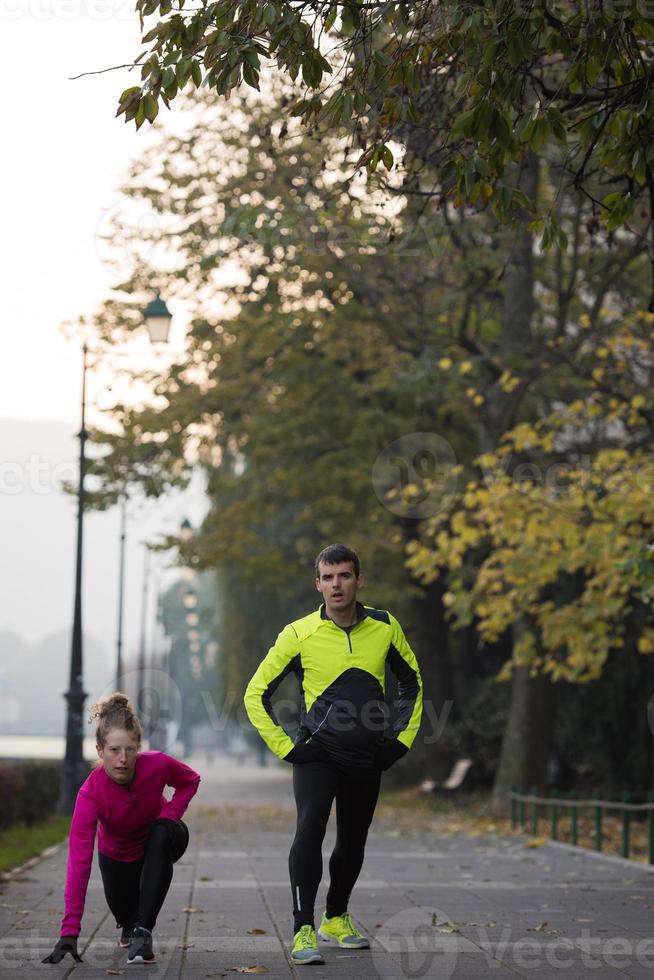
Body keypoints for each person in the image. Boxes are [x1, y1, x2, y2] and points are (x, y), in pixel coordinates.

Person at [244, 543, 423, 966]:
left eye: (344, 575)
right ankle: (303, 927)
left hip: (368, 756)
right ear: (318, 585)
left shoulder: (384, 626)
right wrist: (288, 748)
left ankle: (336, 917)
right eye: (328, 577)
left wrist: (398, 742)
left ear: (358, 581)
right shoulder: (298, 633)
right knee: (309, 828)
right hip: (319, 754)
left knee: (353, 840)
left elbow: (412, 683)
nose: (336, 584)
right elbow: (256, 694)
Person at [43, 692, 201, 966]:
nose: (123, 759)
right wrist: (70, 931)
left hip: (162, 840)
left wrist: (169, 815)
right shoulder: (90, 795)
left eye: (130, 749)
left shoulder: (158, 764)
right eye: (114, 750)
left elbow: (190, 780)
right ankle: (132, 927)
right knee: (125, 920)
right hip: (118, 858)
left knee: (160, 833)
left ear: (138, 747)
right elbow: (79, 861)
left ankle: (144, 932)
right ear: (100, 751)